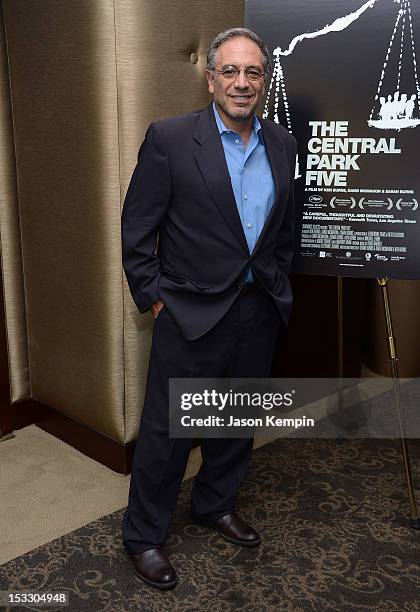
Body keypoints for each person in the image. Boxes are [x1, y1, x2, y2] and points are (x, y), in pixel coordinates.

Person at [121, 27, 297, 590]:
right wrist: (156, 298)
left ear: (263, 80)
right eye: (230, 72)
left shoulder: (284, 142)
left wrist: (276, 280)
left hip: (258, 308)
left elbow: (283, 227)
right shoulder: (170, 139)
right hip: (190, 314)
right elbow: (136, 231)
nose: (242, 83)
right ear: (211, 78)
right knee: (168, 431)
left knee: (236, 421)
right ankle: (144, 536)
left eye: (253, 73)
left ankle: (213, 504)